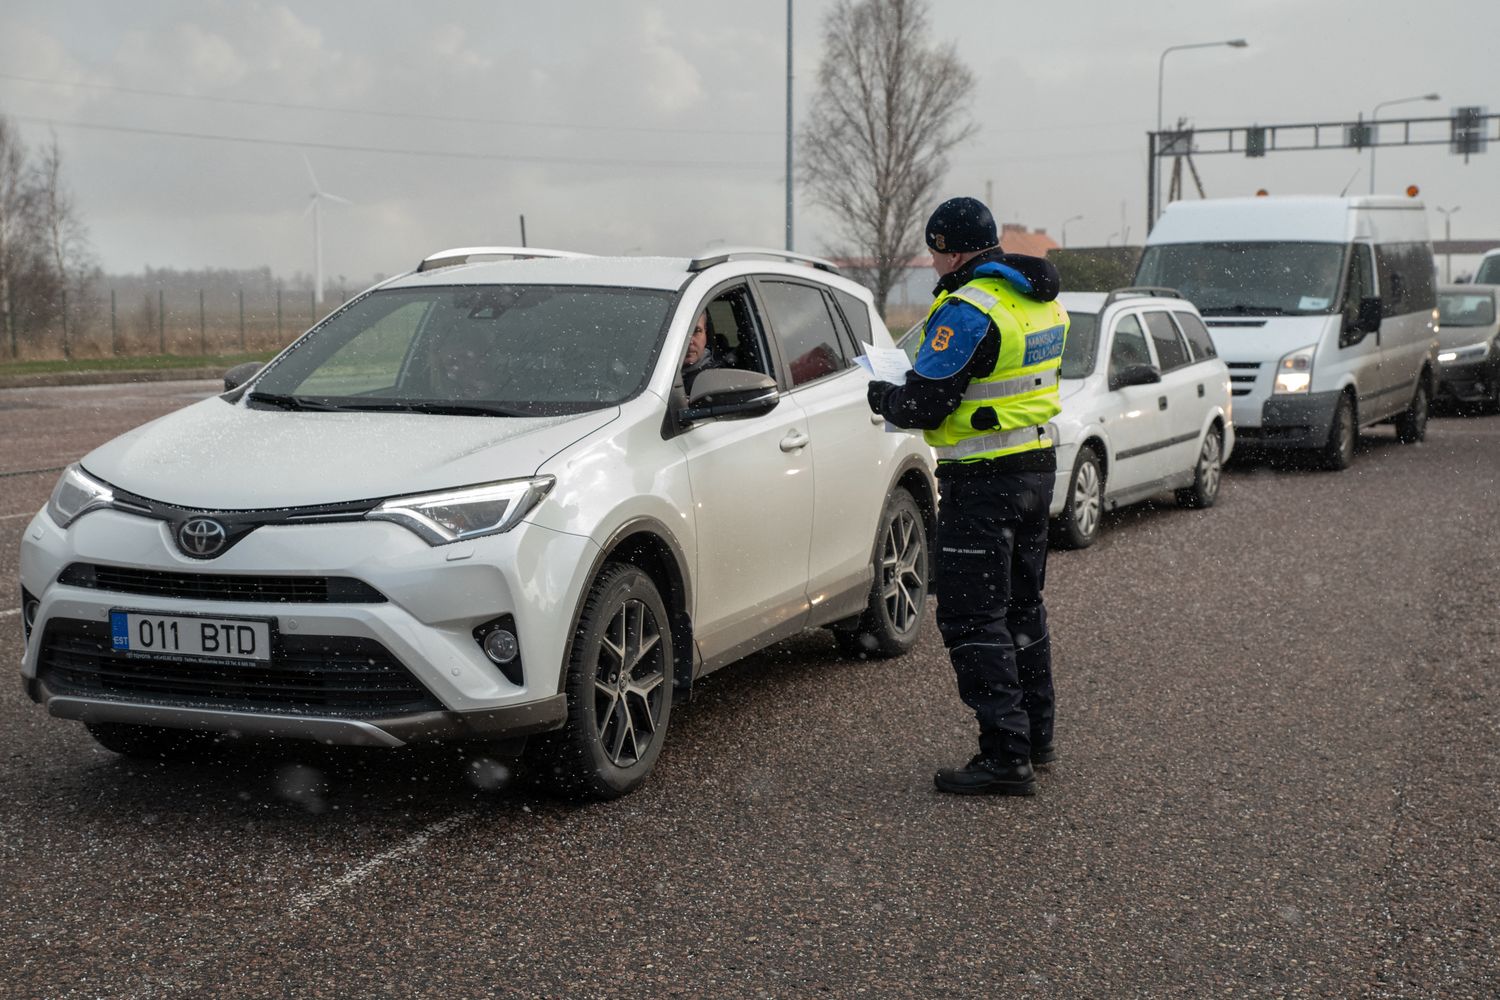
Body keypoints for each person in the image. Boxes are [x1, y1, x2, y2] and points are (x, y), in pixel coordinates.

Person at [866, 196, 1069, 796]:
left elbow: (925, 403)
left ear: (953, 250)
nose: (932, 266)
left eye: (934, 253)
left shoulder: (970, 309)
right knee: (1022, 607)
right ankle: (1036, 735)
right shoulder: (1040, 301)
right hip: (1035, 467)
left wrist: (881, 394)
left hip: (982, 481)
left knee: (973, 617)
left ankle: (1005, 757)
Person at [680, 309, 720, 392]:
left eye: (696, 331)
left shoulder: (716, 379)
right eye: (681, 333)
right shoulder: (653, 377)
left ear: (705, 333)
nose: (690, 341)